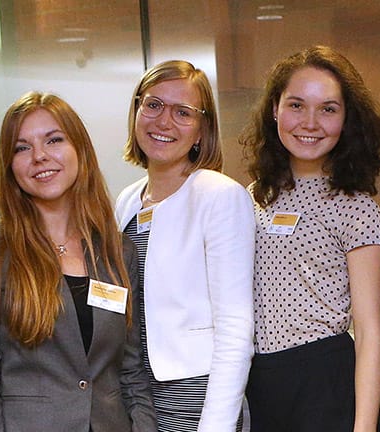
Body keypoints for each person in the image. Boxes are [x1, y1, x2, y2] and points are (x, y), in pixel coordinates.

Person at [0, 91, 156, 431]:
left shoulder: (117, 251)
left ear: (80, 149)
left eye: (54, 140)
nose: (39, 156)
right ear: (10, 165)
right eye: (22, 148)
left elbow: (131, 371)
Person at [240, 45, 380, 432]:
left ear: (346, 118)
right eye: (296, 105)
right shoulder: (251, 198)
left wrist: (363, 428)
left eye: (328, 109)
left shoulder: (356, 207)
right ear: (274, 109)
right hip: (261, 382)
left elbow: (370, 334)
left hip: (326, 382)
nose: (310, 123)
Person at [115, 60, 255, 432]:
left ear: (201, 130)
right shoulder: (126, 201)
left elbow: (235, 327)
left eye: (183, 112)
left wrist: (217, 424)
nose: (164, 121)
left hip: (195, 395)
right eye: (153, 105)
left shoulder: (219, 196)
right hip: (135, 393)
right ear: (136, 111)